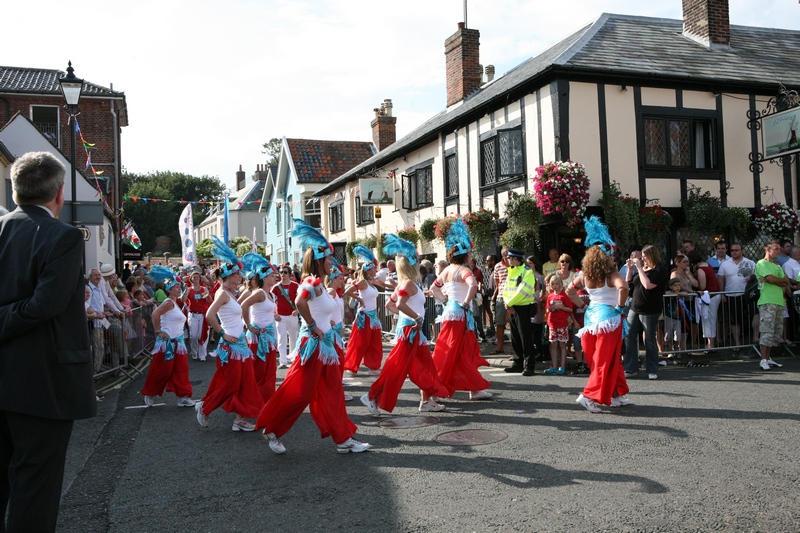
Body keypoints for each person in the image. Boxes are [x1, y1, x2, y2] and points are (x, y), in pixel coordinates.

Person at [0, 151, 96, 531]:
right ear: (59, 194)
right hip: (42, 382)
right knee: (36, 486)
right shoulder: (64, 236)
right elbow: (45, 306)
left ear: (15, 190)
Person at [258, 219, 371, 454]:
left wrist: (325, 323)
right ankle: (272, 428)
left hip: (326, 346)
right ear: (319, 261)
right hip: (314, 346)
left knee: (333, 393)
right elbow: (300, 301)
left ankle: (343, 439)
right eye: (329, 259)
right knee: (299, 392)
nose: (332, 262)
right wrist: (312, 325)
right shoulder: (311, 281)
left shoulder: (319, 284)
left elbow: (317, 308)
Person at [360, 234, 449, 416]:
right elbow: (399, 304)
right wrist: (415, 318)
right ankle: (371, 396)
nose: (419, 263)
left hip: (411, 329)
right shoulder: (408, 283)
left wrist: (408, 317)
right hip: (411, 330)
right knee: (396, 368)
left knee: (425, 366)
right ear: (412, 264)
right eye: (417, 260)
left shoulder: (406, 283)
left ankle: (426, 401)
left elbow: (390, 304)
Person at [195, 237, 264, 432]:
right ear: (228, 275)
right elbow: (210, 315)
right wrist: (222, 333)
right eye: (237, 273)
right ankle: (205, 408)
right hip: (231, 345)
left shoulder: (230, 293)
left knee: (246, 384)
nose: (240, 276)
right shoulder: (223, 293)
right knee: (232, 385)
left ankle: (239, 420)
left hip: (240, 345)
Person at [566, 216, 630, 413]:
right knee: (604, 360)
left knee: (605, 359)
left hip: (591, 320)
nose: (614, 259)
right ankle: (588, 396)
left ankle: (616, 394)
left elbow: (569, 291)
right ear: (605, 258)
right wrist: (620, 308)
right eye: (612, 256)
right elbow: (624, 287)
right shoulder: (612, 274)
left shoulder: (584, 276)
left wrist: (583, 305)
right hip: (609, 320)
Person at [430, 218, 492, 400]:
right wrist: (465, 302)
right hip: (460, 314)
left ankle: (474, 388)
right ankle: (435, 389)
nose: (471, 256)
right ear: (465, 256)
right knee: (455, 351)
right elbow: (473, 285)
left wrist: (445, 301)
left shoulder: (446, 270)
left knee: (457, 350)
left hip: (450, 312)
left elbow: (434, 288)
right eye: (470, 253)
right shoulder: (464, 271)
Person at [141, 266, 194, 408]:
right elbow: (155, 314)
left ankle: (183, 396)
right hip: (166, 343)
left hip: (178, 343)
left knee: (181, 370)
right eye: (176, 287)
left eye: (179, 286)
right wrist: (158, 331)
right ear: (169, 290)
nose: (178, 288)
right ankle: (150, 393)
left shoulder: (175, 303)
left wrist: (186, 290)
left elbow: (184, 299)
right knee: (161, 371)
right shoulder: (168, 302)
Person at [623, 244, 668, 380]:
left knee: (649, 339)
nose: (643, 259)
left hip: (650, 309)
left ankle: (652, 369)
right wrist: (630, 269)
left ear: (651, 256)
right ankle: (630, 368)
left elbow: (648, 285)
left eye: (645, 257)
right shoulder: (642, 269)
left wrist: (639, 268)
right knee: (629, 336)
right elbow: (629, 286)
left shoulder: (660, 270)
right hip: (635, 308)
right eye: (642, 257)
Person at [240, 254, 280, 403]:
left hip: (268, 336)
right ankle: (253, 401)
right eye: (271, 275)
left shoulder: (270, 294)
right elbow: (243, 305)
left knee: (269, 370)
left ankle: (266, 400)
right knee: (258, 370)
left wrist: (274, 315)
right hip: (257, 337)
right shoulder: (259, 292)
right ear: (264, 278)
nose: (275, 277)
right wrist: (249, 325)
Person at [343, 245, 385, 375]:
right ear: (368, 270)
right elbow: (348, 291)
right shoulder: (363, 282)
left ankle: (373, 367)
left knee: (375, 343)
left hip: (373, 317)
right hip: (364, 316)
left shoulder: (371, 283)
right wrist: (358, 299)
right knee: (360, 343)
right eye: (374, 268)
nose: (375, 270)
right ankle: (351, 366)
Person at [502, 248, 538, 376]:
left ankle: (529, 366)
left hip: (523, 307)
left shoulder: (527, 272)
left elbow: (522, 291)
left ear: (515, 259)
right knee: (515, 337)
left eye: (509, 258)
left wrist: (509, 303)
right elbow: (506, 289)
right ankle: (517, 363)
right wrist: (507, 303)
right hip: (512, 307)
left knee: (525, 338)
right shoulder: (511, 271)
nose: (507, 260)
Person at [755, 242, 790, 370]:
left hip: (779, 301)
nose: (778, 251)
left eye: (779, 249)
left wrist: (779, 280)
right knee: (767, 331)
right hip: (767, 301)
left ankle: (768, 358)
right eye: (776, 249)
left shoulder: (777, 265)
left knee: (776, 332)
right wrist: (778, 280)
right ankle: (763, 359)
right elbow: (771, 279)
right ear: (768, 250)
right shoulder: (761, 263)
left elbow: (785, 281)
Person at [718, 243, 757, 349]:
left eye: (736, 250)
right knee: (734, 320)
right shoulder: (725, 264)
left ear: (742, 251)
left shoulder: (750, 263)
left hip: (748, 295)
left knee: (753, 315)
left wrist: (751, 280)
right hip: (731, 295)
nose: (734, 252)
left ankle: (755, 339)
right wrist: (722, 294)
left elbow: (756, 278)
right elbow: (721, 279)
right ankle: (737, 343)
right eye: (732, 250)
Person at [543, 274, 573, 375]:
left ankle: (562, 366)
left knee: (562, 344)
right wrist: (550, 309)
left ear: (560, 284)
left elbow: (570, 309)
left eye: (557, 284)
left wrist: (561, 307)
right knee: (553, 344)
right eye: (553, 284)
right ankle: (554, 366)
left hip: (562, 324)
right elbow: (547, 309)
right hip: (552, 323)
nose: (555, 286)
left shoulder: (564, 296)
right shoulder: (550, 296)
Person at [272, 265, 300, 369]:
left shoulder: (295, 286)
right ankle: (283, 361)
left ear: (289, 274)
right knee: (281, 339)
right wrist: (274, 314)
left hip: (292, 315)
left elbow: (301, 300)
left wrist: (298, 310)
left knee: (293, 338)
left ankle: (293, 359)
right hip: (281, 317)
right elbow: (271, 302)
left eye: (285, 272)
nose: (283, 274)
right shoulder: (275, 287)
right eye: (281, 272)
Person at [183, 270, 212, 361]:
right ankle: (194, 353)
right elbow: (183, 300)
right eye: (194, 277)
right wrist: (185, 291)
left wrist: (207, 295)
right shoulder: (189, 289)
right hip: (193, 315)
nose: (196, 278)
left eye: (197, 277)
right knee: (194, 336)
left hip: (203, 315)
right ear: (191, 279)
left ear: (200, 279)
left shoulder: (204, 289)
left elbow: (209, 300)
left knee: (202, 334)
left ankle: (202, 355)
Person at [491, 248, 510, 355]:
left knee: (513, 323)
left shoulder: (515, 265)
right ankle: (500, 347)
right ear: (503, 256)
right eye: (506, 255)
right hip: (501, 296)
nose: (508, 257)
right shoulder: (498, 266)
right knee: (500, 323)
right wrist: (496, 294)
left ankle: (514, 349)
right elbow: (497, 283)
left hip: (513, 297)